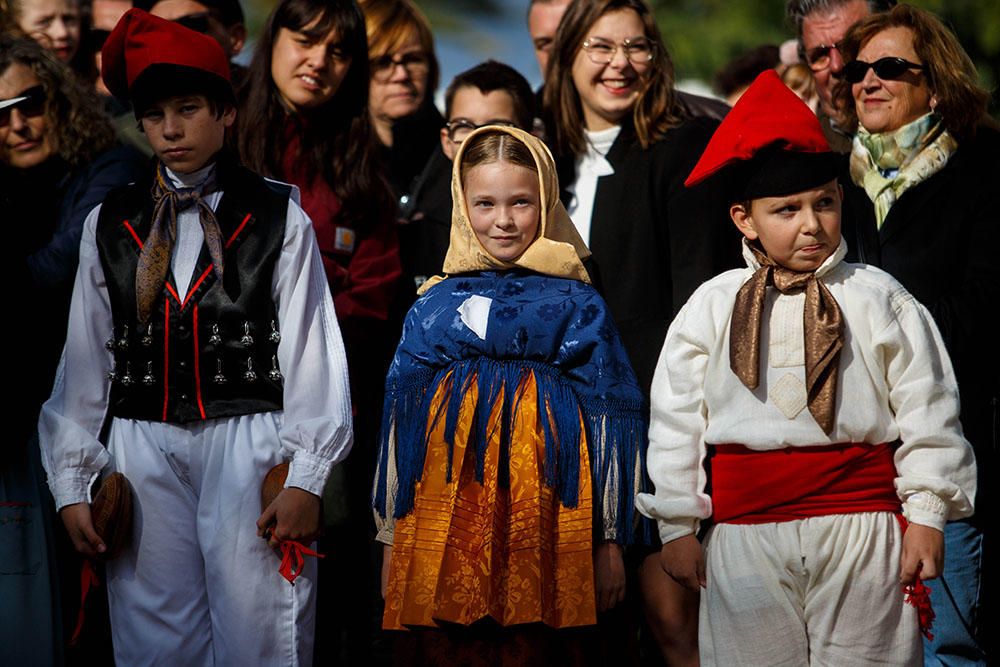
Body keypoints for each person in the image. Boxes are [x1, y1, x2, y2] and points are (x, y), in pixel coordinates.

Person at [38, 9, 353, 664]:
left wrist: (306, 475)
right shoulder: (110, 223)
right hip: (142, 448)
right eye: (155, 115)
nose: (172, 129)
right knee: (155, 638)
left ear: (227, 112)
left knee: (262, 628)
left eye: (188, 108)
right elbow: (86, 362)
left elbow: (311, 351)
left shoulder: (277, 218)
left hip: (251, 442)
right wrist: (72, 481)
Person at [636, 69, 977, 666]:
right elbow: (675, 420)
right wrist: (676, 526)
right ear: (745, 219)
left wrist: (925, 513)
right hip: (745, 537)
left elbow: (930, 407)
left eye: (824, 203)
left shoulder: (878, 297)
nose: (811, 225)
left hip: (862, 529)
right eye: (786, 210)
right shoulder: (713, 307)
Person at [374, 124, 650, 663]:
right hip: (446, 509)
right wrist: (389, 536)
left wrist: (611, 539)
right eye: (486, 203)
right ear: (462, 204)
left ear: (546, 201)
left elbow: (612, 418)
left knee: (540, 647)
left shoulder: (578, 303)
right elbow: (400, 424)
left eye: (521, 202)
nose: (503, 220)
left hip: (547, 507)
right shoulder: (434, 304)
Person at [544, 2, 739, 661]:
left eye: (638, 47)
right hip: (557, 431)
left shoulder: (681, 147)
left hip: (656, 425)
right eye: (601, 46)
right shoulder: (543, 155)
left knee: (672, 623)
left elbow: (698, 306)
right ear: (568, 54)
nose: (620, 63)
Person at [233, 0, 399, 661]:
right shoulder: (220, 139)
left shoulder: (360, 169)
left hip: (318, 423)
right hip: (215, 404)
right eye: (305, 41)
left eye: (338, 52)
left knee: (304, 613)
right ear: (274, 40)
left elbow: (374, 296)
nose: (318, 62)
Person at [836, 5, 997, 664]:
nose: (868, 82)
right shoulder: (832, 181)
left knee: (946, 645)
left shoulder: (984, 168)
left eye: (890, 68)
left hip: (949, 447)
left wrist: (882, 327)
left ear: (936, 83)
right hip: (852, 459)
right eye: (858, 70)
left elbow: (985, 311)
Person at [400, 60, 535, 295]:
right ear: (446, 140)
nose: (476, 141)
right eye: (464, 126)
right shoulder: (414, 240)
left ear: (532, 139)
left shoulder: (558, 236)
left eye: (498, 127)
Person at [358, 0, 442, 202]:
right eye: (383, 62)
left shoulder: (454, 153)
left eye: (413, 59)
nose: (401, 74)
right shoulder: (324, 160)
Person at [786, 0, 896, 152]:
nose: (837, 66)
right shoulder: (799, 155)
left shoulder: (934, 133)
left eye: (849, 46)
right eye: (820, 55)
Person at [135, 0, 248, 87]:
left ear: (236, 38)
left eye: (191, 25)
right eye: (155, 31)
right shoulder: (127, 112)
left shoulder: (262, 104)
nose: (172, 40)